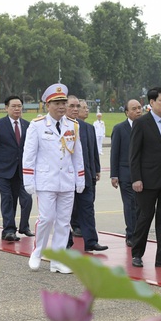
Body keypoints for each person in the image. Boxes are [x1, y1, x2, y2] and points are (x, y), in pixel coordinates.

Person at [24, 84, 85, 274]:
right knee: (46, 218)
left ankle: (57, 260)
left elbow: (77, 155)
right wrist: (28, 179)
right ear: (47, 105)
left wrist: (80, 178)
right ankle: (37, 251)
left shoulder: (72, 125)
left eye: (63, 103)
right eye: (57, 103)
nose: (61, 106)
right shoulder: (37, 125)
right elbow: (29, 154)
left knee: (63, 222)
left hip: (66, 181)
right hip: (46, 180)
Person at [129, 87, 161, 269]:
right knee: (145, 216)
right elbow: (134, 154)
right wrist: (136, 178)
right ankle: (137, 254)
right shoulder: (142, 123)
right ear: (151, 103)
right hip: (147, 180)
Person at [0, 96, 34, 242]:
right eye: (13, 106)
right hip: (3, 170)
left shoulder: (28, 125)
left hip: (22, 171)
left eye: (19, 106)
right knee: (7, 199)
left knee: (26, 199)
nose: (17, 109)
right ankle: (9, 230)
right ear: (6, 108)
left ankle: (24, 226)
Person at [66, 95, 106, 251]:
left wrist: (96, 169)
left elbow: (93, 151)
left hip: (86, 176)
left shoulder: (88, 128)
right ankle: (67, 242)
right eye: (72, 106)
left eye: (77, 106)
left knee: (88, 209)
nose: (75, 109)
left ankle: (91, 241)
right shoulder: (60, 127)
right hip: (67, 177)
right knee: (66, 212)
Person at [110, 99, 142, 247]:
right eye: (134, 109)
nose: (138, 111)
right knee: (130, 205)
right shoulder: (119, 129)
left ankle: (139, 233)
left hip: (143, 175)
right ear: (127, 112)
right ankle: (131, 234)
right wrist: (114, 175)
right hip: (126, 174)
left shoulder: (146, 127)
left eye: (139, 108)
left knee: (140, 206)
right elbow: (114, 153)